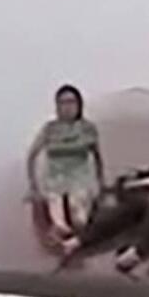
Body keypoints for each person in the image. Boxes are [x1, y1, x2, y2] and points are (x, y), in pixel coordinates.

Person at [61, 168, 149, 273]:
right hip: (143, 195)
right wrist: (148, 182)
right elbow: (124, 185)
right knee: (123, 213)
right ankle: (80, 240)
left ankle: (136, 252)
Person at [25, 84, 104, 242]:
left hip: (80, 179)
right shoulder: (50, 129)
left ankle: (78, 234)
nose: (67, 107)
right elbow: (32, 155)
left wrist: (100, 182)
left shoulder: (87, 128)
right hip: (55, 179)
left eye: (71, 102)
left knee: (79, 218)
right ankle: (59, 228)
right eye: (63, 103)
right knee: (58, 213)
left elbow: (97, 156)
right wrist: (33, 186)